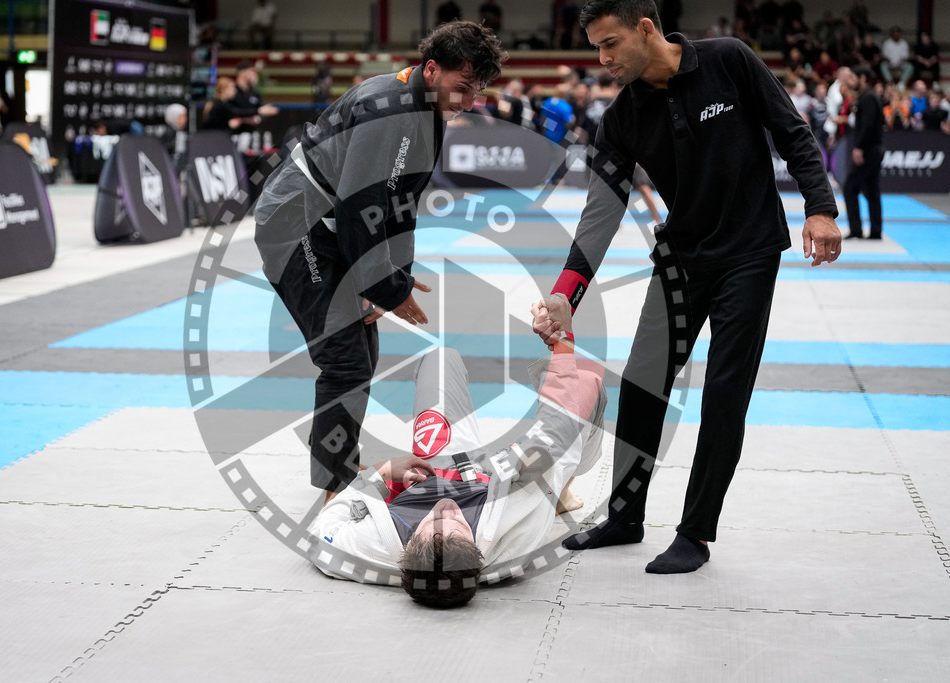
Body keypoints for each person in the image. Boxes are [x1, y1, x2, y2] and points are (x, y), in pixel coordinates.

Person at [533, 0, 840, 574]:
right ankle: (625, 517)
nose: (602, 60)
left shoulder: (728, 60)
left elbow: (791, 131)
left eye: (610, 44)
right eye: (595, 48)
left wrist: (820, 208)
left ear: (645, 29)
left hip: (749, 251)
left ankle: (696, 532)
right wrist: (564, 295)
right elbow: (600, 213)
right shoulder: (621, 117)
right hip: (680, 259)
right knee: (643, 381)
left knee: (724, 390)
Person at [253, 21, 506, 501]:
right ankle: (334, 491)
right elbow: (357, 211)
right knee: (344, 359)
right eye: (463, 88)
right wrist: (385, 289)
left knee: (362, 353)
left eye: (477, 92)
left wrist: (396, 278)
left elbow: (400, 207)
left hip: (330, 229)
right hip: (295, 226)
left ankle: (338, 468)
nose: (469, 102)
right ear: (432, 70)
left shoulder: (428, 112)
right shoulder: (384, 109)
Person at [308, 307, 608, 607]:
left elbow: (322, 533)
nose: (446, 508)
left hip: (436, 468)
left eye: (433, 521)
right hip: (500, 481)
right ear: (478, 547)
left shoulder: (373, 549)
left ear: (407, 549)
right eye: (458, 524)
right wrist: (562, 341)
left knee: (440, 359)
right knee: (584, 384)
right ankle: (563, 493)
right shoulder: (515, 532)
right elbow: (555, 432)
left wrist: (382, 471)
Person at [843, 66, 883, 241]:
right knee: (872, 190)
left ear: (863, 78)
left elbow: (867, 125)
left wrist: (859, 147)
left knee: (849, 187)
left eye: (852, 77)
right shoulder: (869, 96)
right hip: (874, 148)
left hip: (868, 149)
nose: (850, 81)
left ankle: (856, 229)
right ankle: (875, 230)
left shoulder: (867, 98)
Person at [229, 60, 280, 130]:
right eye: (251, 71)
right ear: (242, 72)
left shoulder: (254, 92)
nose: (254, 74)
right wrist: (255, 113)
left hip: (250, 132)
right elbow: (230, 110)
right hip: (232, 132)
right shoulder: (232, 90)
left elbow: (261, 109)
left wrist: (260, 116)